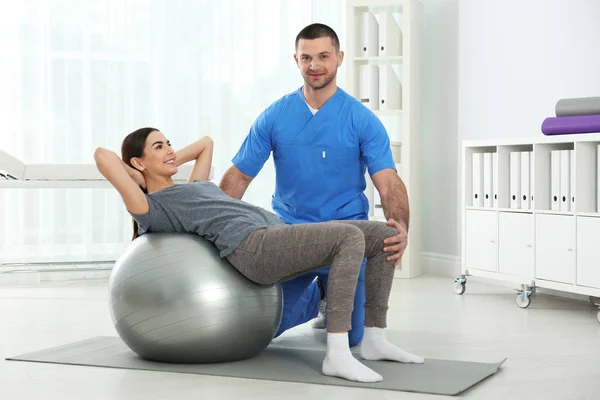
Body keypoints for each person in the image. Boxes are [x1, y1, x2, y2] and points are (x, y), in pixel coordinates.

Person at [94, 127, 424, 383]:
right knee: (349, 236)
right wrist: (139, 177)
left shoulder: (193, 184)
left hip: (275, 235)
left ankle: (375, 338)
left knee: (384, 234)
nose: (169, 150)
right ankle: (337, 353)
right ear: (137, 162)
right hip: (253, 248)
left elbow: (206, 143)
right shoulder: (151, 207)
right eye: (159, 147)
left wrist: (164, 162)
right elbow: (102, 156)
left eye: (168, 143)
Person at [219, 23, 411, 346]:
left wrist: (401, 226)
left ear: (339, 57)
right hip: (292, 237)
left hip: (348, 239)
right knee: (265, 329)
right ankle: (318, 297)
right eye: (306, 57)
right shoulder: (275, 116)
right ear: (296, 60)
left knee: (352, 337)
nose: (315, 65)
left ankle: (331, 296)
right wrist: (215, 230)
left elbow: (389, 183)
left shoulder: (361, 120)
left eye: (323, 56)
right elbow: (238, 176)